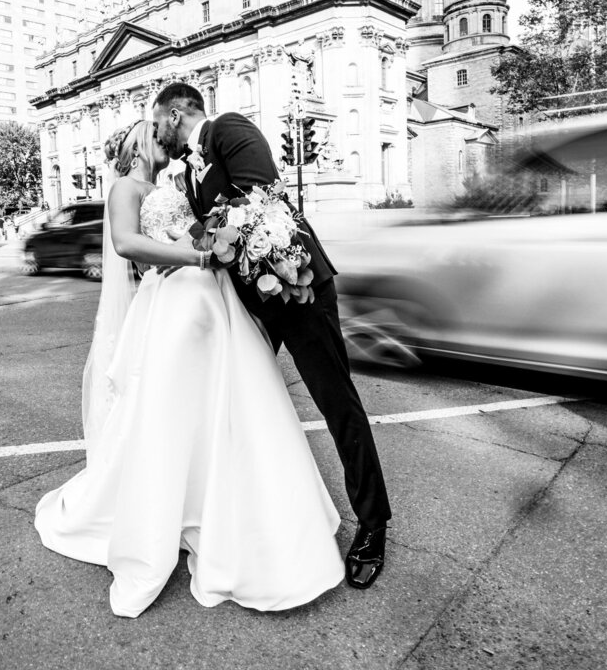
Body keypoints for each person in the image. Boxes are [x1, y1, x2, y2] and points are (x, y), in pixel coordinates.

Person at [34, 120, 343, 618]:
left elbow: (206, 227)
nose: (163, 138)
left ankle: (247, 515)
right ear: (134, 144)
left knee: (234, 403)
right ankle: (174, 507)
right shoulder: (125, 188)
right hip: (174, 302)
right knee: (175, 410)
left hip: (212, 299)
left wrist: (221, 243)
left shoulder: (176, 183)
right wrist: (197, 256)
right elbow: (127, 245)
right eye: (151, 133)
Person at [151, 82, 391, 589]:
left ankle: (373, 525)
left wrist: (206, 240)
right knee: (245, 405)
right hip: (252, 303)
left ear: (175, 114)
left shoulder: (230, 129)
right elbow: (211, 232)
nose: (156, 135)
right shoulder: (189, 176)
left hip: (297, 288)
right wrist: (182, 252)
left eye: (157, 124)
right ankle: (259, 522)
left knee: (336, 404)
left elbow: (260, 200)